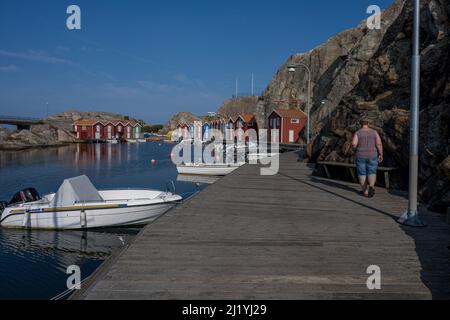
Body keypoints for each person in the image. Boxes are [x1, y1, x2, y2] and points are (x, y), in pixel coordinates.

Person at [352, 119, 383, 198]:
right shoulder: (374, 132)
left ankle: (365, 192)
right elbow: (379, 144)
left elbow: (353, 144)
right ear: (368, 123)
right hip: (372, 154)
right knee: (372, 171)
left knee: (362, 173)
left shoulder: (358, 133)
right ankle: (371, 186)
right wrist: (380, 154)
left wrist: (356, 148)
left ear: (360, 124)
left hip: (360, 155)